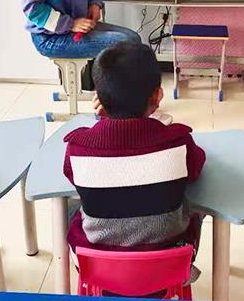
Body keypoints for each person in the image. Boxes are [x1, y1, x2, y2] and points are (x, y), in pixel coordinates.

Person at [63, 41, 206, 263]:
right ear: (157, 96)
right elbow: (196, 167)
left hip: (99, 266)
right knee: (194, 209)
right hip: (169, 265)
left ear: (98, 98)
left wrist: (106, 121)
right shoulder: (178, 142)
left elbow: (73, 177)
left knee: (69, 207)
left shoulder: (78, 148)